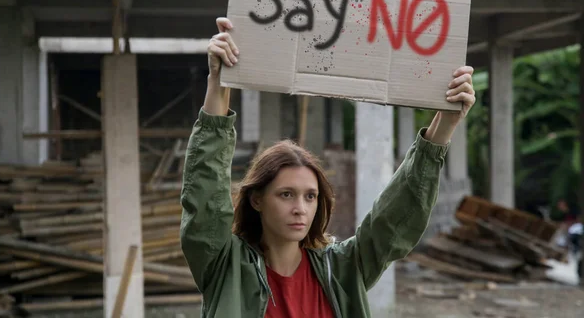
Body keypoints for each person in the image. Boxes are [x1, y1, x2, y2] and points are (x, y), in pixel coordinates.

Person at [179, 17, 476, 318]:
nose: (300, 208)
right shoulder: (226, 267)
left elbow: (393, 218)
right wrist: (218, 81)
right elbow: (205, 199)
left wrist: (446, 122)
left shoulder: (342, 270)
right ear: (257, 199)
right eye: (286, 195)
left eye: (310, 196)